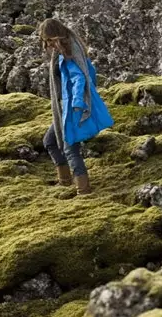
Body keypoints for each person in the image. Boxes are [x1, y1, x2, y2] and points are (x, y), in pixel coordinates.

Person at [38, 18, 114, 195]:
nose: (48, 45)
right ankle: (65, 181)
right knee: (50, 141)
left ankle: (83, 190)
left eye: (49, 40)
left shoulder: (69, 52)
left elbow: (79, 77)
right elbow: (90, 72)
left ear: (56, 36)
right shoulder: (69, 47)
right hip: (65, 106)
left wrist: (78, 102)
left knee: (69, 148)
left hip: (71, 107)